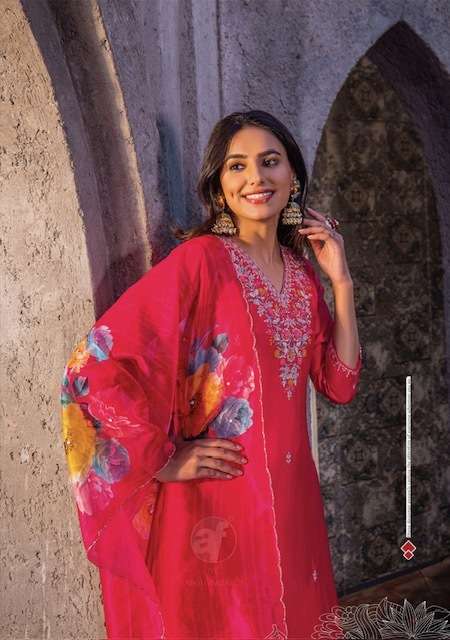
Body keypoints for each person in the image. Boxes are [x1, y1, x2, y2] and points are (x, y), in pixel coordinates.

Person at [60, 109, 363, 640]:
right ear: (219, 186)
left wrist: (341, 283)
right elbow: (94, 367)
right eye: (237, 166)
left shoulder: (302, 277)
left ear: (292, 176)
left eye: (270, 161)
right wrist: (160, 459)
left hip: (295, 505)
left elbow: (339, 384)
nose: (255, 177)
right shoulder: (201, 262)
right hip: (217, 507)